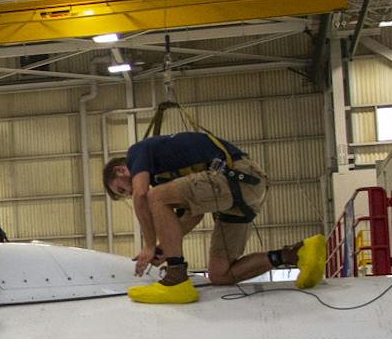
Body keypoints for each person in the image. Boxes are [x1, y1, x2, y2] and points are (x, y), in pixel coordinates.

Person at [103, 130, 324, 304]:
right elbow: (193, 215)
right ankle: (295, 254)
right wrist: (164, 248)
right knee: (220, 273)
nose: (128, 193)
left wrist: (150, 245)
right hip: (245, 190)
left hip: (235, 176)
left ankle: (177, 278)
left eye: (122, 190)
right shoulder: (165, 181)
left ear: (121, 170)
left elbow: (142, 195)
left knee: (154, 197)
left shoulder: (137, 153)